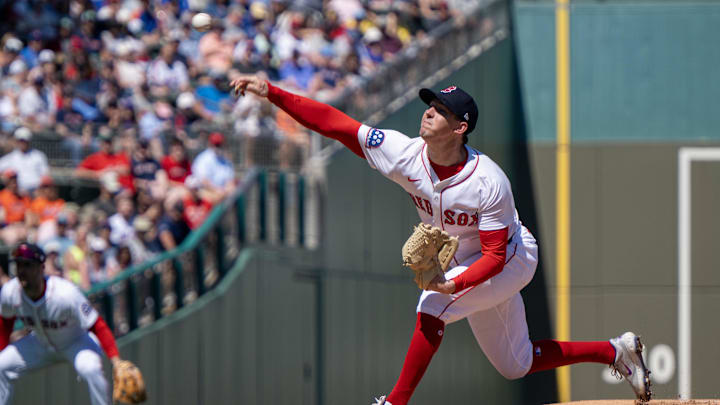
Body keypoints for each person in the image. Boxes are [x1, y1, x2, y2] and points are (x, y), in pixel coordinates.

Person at [229, 76, 653, 404]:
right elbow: (336, 124)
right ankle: (615, 352)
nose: (429, 113)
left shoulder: (489, 182)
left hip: (510, 258)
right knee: (515, 364)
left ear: (460, 127)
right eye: (430, 105)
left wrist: (455, 284)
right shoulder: (403, 153)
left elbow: (493, 257)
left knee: (433, 304)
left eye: (441, 110)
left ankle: (394, 402)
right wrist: (273, 93)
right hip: (470, 260)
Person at [0, 242, 126, 404]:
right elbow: (5, 322)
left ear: (41, 268)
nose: (22, 271)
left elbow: (97, 325)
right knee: (1, 365)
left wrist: (116, 360)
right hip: (39, 343)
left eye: (28, 265)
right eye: (18, 265)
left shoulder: (65, 294)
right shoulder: (11, 292)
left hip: (75, 342)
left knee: (91, 369)